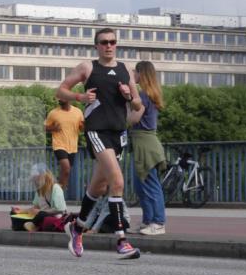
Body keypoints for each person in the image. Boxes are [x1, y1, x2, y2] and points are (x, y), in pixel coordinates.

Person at [56, 27, 141, 260]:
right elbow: (60, 91)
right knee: (117, 181)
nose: (108, 46)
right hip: (97, 130)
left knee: (99, 186)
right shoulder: (88, 68)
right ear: (96, 45)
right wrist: (80, 97)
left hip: (118, 133)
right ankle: (121, 241)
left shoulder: (126, 70)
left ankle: (77, 227)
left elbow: (137, 104)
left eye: (112, 42)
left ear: (117, 44)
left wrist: (128, 96)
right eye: (104, 42)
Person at [128, 61, 168, 235]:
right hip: (144, 143)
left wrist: (125, 106)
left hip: (145, 143)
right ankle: (148, 221)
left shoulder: (144, 96)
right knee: (141, 185)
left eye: (135, 72)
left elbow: (133, 119)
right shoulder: (148, 94)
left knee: (150, 185)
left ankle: (158, 223)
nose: (133, 75)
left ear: (141, 74)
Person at [10, 164, 68, 232]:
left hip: (53, 217)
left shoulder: (55, 188)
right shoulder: (39, 190)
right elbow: (35, 208)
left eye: (36, 178)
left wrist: (41, 211)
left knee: (41, 214)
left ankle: (33, 225)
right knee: (13, 213)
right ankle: (30, 225)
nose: (35, 180)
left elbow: (60, 210)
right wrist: (21, 211)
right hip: (39, 217)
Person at [44, 99, 83, 196]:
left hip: (72, 146)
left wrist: (85, 126)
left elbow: (82, 128)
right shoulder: (53, 113)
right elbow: (44, 127)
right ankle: (57, 195)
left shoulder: (78, 112)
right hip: (59, 145)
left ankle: (57, 194)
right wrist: (53, 128)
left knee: (66, 173)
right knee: (66, 169)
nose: (59, 99)